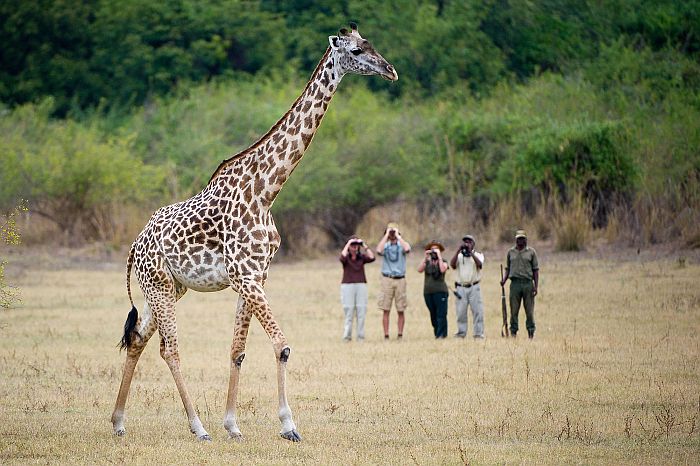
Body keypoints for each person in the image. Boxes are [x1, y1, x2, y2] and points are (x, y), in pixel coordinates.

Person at [500, 230, 539, 339]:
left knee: (529, 311)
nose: (520, 241)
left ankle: (531, 332)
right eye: (518, 238)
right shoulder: (510, 252)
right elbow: (508, 268)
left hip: (527, 283)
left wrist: (536, 286)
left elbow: (535, 270)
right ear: (515, 239)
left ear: (526, 239)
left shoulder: (531, 252)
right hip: (515, 284)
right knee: (513, 311)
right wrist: (504, 280)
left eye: (522, 238)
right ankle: (513, 333)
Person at [376, 222, 411, 339]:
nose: (392, 234)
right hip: (387, 278)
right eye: (390, 232)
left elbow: (407, 248)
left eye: (393, 232)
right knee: (386, 309)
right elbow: (378, 251)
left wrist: (398, 236)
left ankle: (400, 334)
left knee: (401, 309)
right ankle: (386, 335)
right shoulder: (385, 246)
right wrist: (386, 235)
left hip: (400, 279)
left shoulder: (402, 245)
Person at [339, 235, 375, 341]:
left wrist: (363, 245)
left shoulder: (361, 257)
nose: (355, 248)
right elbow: (341, 257)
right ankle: (347, 336)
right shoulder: (346, 258)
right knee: (349, 311)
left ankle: (360, 336)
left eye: (356, 246)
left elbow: (372, 257)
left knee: (361, 311)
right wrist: (348, 243)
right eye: (352, 246)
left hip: (361, 285)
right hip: (347, 285)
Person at [449, 234, 485, 339]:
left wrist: (471, 253)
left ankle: (478, 334)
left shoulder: (478, 255)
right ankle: (461, 332)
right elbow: (452, 265)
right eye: (465, 242)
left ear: (473, 244)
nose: (467, 244)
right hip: (461, 287)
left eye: (469, 242)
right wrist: (458, 251)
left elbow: (480, 265)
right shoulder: (460, 256)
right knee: (461, 312)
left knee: (477, 311)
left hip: (474, 286)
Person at [417, 240, 449, 338]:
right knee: (433, 314)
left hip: (440, 291)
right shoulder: (427, 262)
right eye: (432, 249)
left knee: (441, 314)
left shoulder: (444, 261)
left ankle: (441, 335)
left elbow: (443, 269)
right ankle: (437, 333)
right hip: (428, 292)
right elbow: (419, 270)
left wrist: (439, 257)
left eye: (436, 249)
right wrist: (426, 257)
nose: (434, 252)